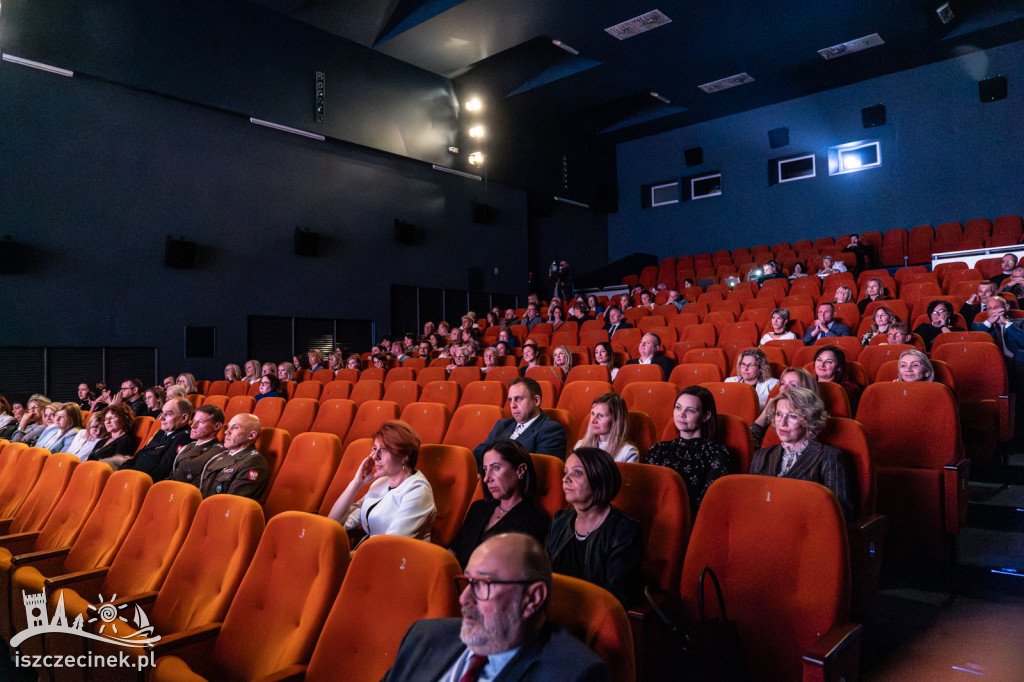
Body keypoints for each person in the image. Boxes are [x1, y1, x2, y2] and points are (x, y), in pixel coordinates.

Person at [384, 533, 609, 681]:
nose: (464, 599)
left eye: (482, 584)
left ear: (532, 598)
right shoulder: (424, 636)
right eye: (467, 581)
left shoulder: (573, 674)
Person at [547, 447, 643, 606]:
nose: (565, 479)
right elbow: (544, 572)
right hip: (554, 608)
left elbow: (615, 595)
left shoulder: (623, 529)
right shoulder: (560, 520)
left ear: (599, 479)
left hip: (593, 616)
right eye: (565, 472)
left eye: (577, 473)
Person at [749, 387, 854, 520]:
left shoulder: (830, 456)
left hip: (808, 532)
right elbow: (751, 504)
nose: (782, 422)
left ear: (809, 420)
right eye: (779, 414)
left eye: (792, 416)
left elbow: (842, 512)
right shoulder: (761, 455)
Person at [328, 420, 435, 544]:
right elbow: (334, 524)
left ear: (405, 455)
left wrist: (346, 556)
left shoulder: (418, 490)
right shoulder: (380, 483)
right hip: (369, 552)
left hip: (396, 560)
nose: (374, 456)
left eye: (383, 449)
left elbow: (390, 545)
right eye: (374, 448)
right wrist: (356, 484)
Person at [448, 440, 548, 568]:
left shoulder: (532, 523)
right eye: (485, 469)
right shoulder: (477, 508)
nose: (486, 478)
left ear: (520, 470)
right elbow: (452, 552)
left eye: (496, 468)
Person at [646, 386, 733, 515]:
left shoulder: (718, 454)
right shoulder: (658, 449)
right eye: (678, 407)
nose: (681, 414)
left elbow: (708, 504)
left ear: (706, 416)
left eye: (691, 411)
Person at [473, 378, 567, 465]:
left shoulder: (551, 430)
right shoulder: (501, 424)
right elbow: (477, 455)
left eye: (518, 399)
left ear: (536, 400)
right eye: (510, 400)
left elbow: (542, 471)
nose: (512, 405)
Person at [193, 413, 269, 499]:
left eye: (235, 428)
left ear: (251, 435)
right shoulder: (222, 454)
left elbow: (232, 502)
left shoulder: (254, 463)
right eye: (228, 427)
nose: (226, 432)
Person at [120, 397, 194, 480]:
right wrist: (124, 468)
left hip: (143, 481)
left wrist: (129, 474)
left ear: (183, 418)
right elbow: (141, 454)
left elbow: (161, 471)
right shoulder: (161, 432)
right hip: (134, 475)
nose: (161, 417)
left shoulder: (184, 438)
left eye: (168, 414)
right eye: (162, 412)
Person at [749, 367, 819, 448]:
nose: (784, 388)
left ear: (806, 390)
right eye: (782, 383)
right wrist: (764, 414)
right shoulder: (774, 413)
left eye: (793, 385)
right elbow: (750, 447)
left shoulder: (814, 417)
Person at [171, 404, 227, 485]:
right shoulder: (189, 446)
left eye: (200, 422)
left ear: (216, 426)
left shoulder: (218, 453)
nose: (193, 426)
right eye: (193, 421)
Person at [574, 393, 638, 463]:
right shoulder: (580, 446)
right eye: (592, 414)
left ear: (616, 421)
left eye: (601, 416)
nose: (593, 421)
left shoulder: (628, 453)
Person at [88, 402, 138, 468]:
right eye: (106, 419)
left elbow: (116, 465)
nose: (107, 422)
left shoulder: (126, 440)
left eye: (112, 418)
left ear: (124, 419)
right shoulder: (102, 441)